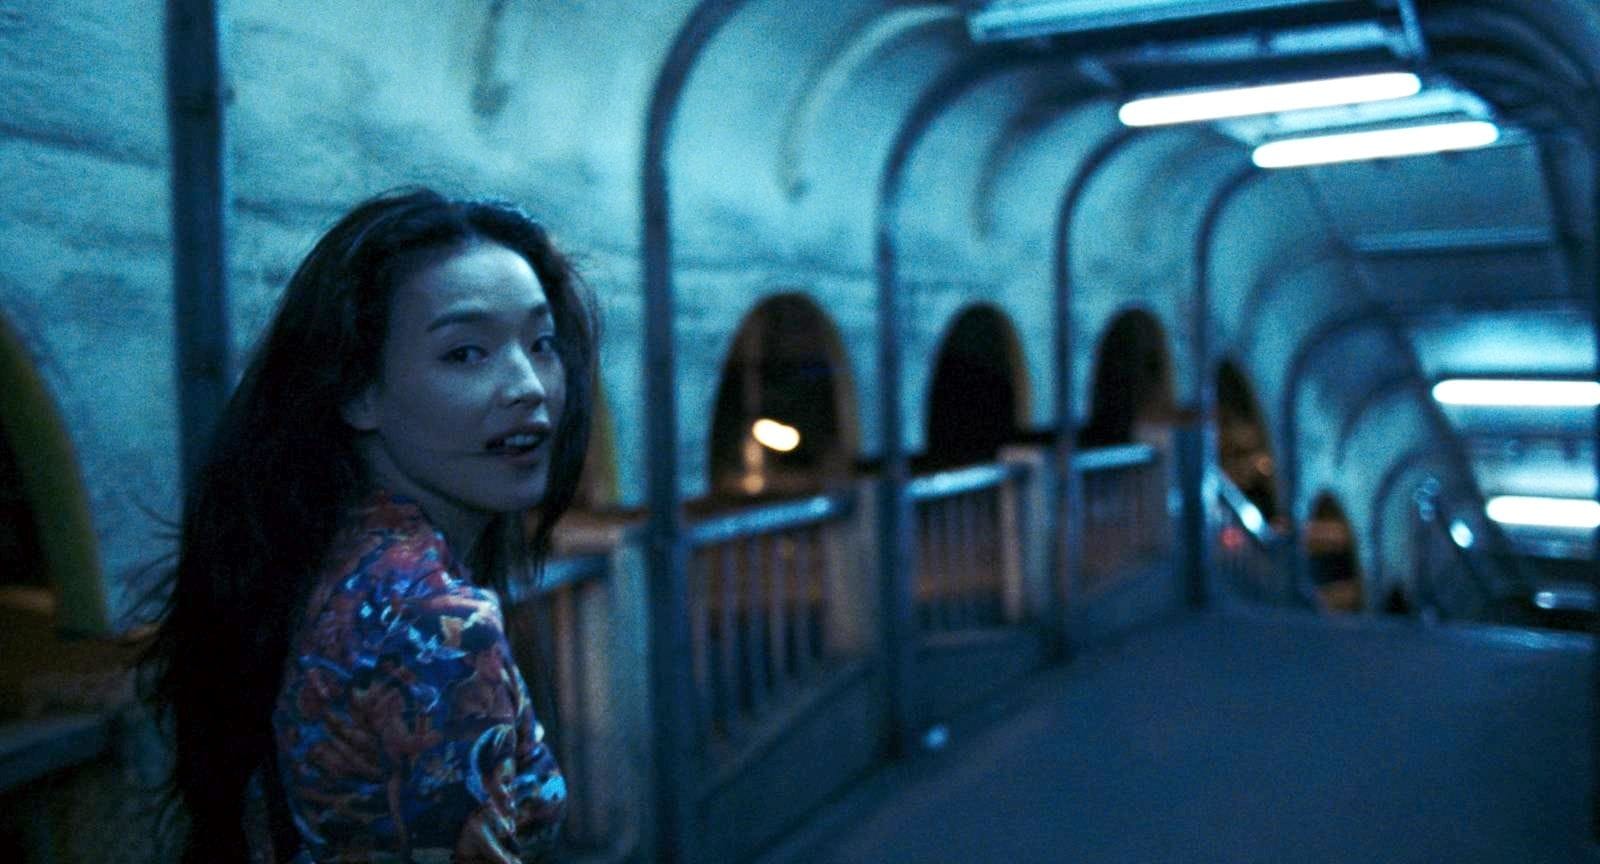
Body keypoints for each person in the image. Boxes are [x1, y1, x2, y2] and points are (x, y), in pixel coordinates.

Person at [144, 188, 596, 863]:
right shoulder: (438, 624)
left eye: (542, 343)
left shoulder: (319, 551)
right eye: (466, 353)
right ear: (357, 390)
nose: (530, 384)